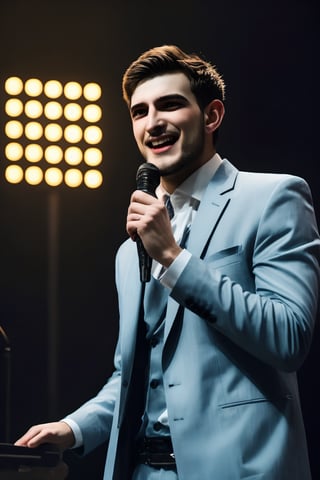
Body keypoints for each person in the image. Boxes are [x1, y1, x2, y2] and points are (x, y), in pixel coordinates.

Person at [15, 45, 320, 480]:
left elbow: (288, 337)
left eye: (170, 105)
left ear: (211, 116)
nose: (153, 122)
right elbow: (137, 373)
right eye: (140, 112)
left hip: (238, 469)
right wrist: (72, 428)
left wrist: (174, 259)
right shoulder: (129, 251)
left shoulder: (273, 197)